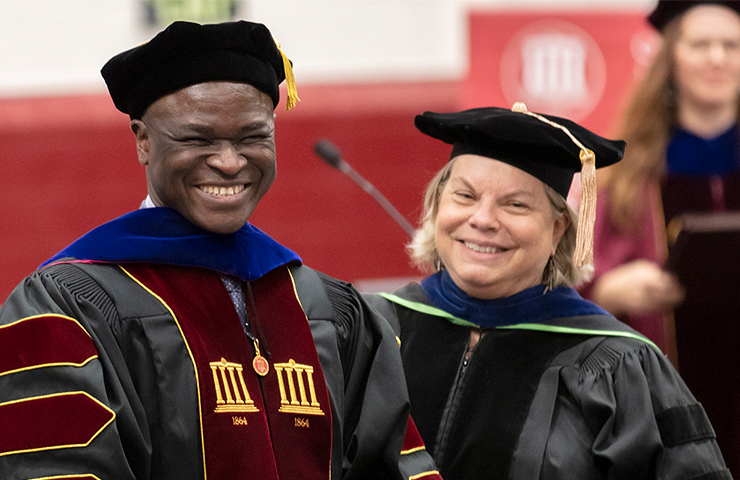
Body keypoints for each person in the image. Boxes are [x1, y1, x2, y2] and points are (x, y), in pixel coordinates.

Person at [0, 20, 441, 480]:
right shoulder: (68, 307)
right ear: (143, 140)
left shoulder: (327, 307)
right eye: (197, 139)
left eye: (252, 137)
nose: (230, 162)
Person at [365, 104, 732, 479]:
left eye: (515, 204)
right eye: (465, 196)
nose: (483, 219)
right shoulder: (371, 333)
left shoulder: (621, 367)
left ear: (558, 230)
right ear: (437, 205)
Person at [579, 0, 740, 357]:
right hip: (659, 376)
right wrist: (608, 291)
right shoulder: (627, 174)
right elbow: (577, 280)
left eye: (732, 45)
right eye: (700, 44)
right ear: (671, 57)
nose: (717, 57)